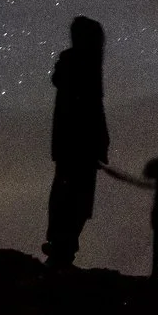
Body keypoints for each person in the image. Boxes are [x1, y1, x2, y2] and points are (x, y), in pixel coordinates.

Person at [43, 15, 109, 268]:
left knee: (68, 196)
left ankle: (62, 248)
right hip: (80, 147)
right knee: (74, 198)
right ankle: (62, 250)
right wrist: (99, 143)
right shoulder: (84, 65)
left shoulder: (72, 64)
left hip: (70, 146)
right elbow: (92, 108)